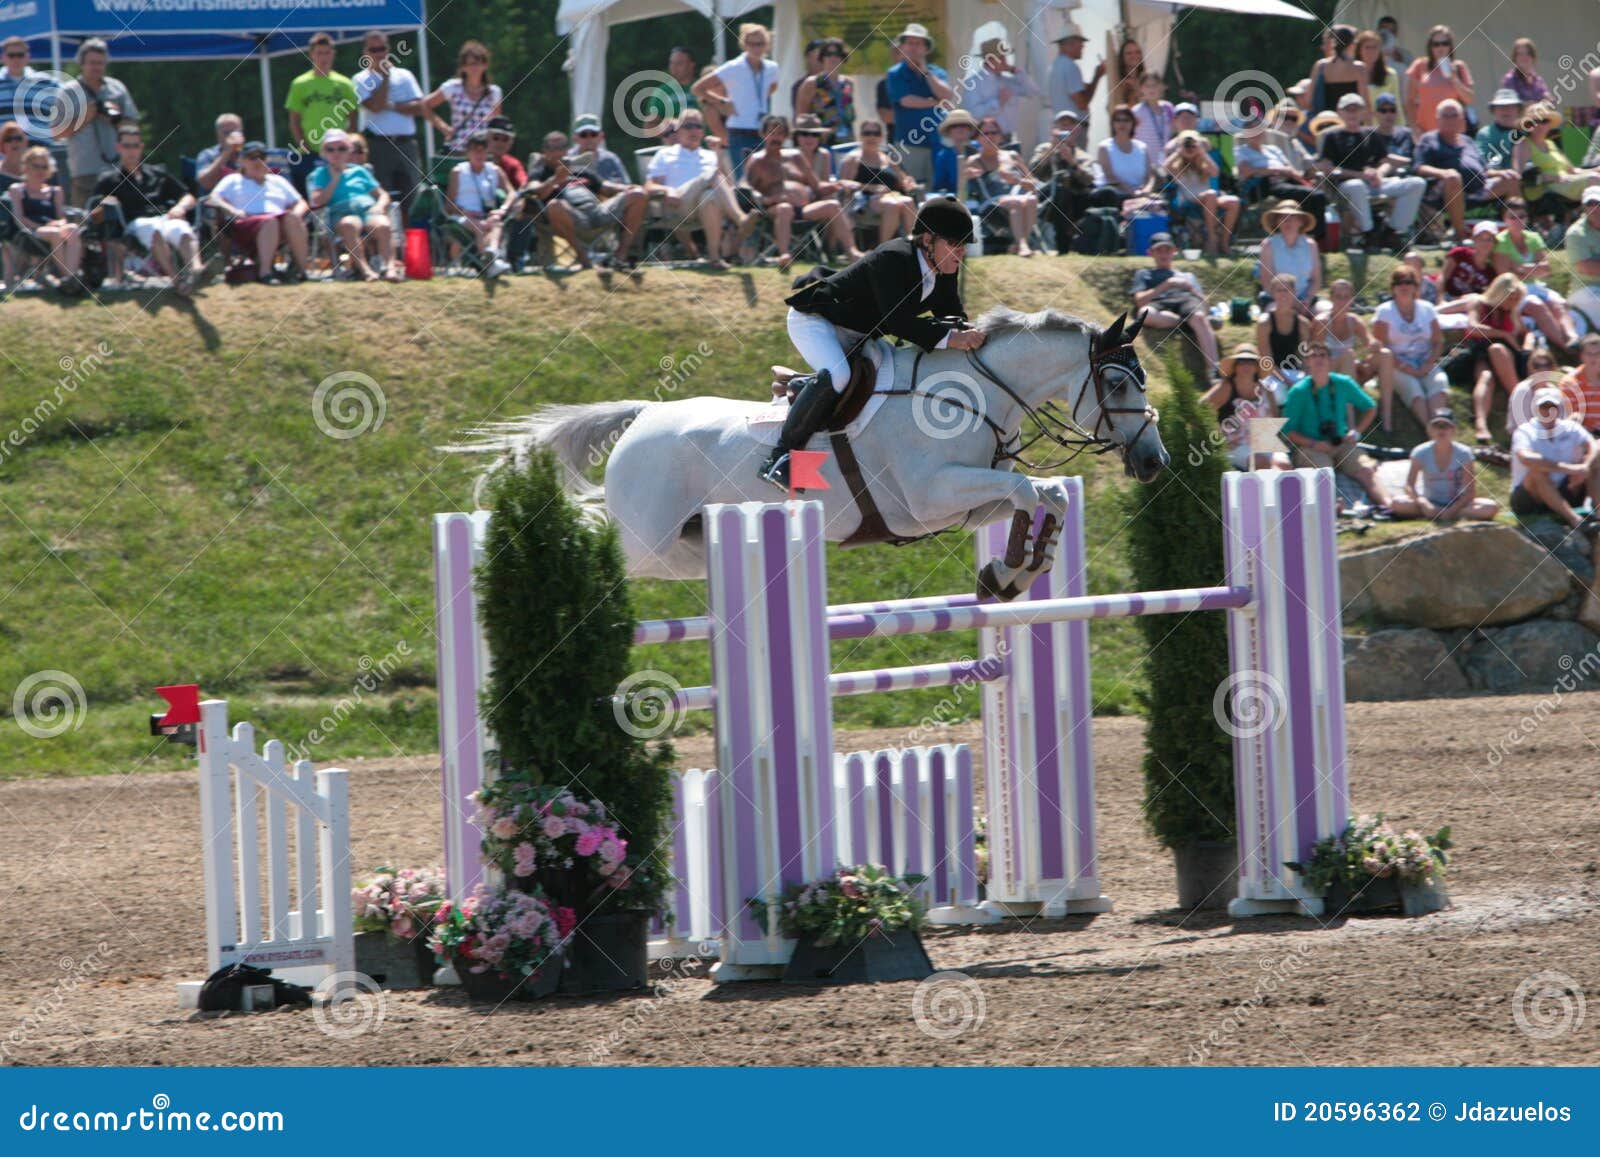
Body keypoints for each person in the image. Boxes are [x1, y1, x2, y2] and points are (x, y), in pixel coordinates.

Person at [765, 198, 982, 490]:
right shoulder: (893, 258)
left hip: (858, 334)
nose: (961, 252)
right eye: (955, 243)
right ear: (928, 240)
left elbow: (951, 314)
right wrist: (953, 339)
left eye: (964, 245)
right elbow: (898, 322)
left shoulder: (943, 267)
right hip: (818, 322)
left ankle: (807, 386)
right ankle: (780, 459)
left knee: (889, 373)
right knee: (840, 376)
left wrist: (974, 334)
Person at [88, 125, 202, 293]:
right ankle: (178, 282)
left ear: (141, 148)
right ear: (118, 148)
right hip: (135, 225)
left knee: (181, 228)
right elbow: (94, 211)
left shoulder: (158, 172)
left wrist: (180, 207)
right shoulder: (109, 179)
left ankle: (197, 269)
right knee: (153, 229)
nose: (131, 150)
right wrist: (106, 204)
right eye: (126, 146)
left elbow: (188, 196)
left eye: (135, 145)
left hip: (165, 217)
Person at [1280, 342, 1391, 509]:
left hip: (1341, 442)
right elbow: (1288, 431)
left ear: (1330, 361)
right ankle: (1332, 507)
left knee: (1366, 469)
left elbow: (1370, 407)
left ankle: (1389, 505)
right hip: (1312, 446)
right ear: (1307, 362)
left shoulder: (1343, 383)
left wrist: (1356, 432)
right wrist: (1314, 444)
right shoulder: (1298, 391)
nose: (1318, 359)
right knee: (1323, 474)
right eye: (1313, 356)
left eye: (1322, 355)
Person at [744, 115, 859, 270]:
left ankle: (852, 252)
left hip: (804, 209)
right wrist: (766, 199)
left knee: (833, 205)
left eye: (780, 134)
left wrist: (838, 185)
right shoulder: (757, 161)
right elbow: (747, 189)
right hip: (775, 210)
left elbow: (817, 186)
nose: (776, 138)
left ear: (785, 136)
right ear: (763, 134)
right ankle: (784, 255)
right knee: (785, 208)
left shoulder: (796, 157)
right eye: (772, 133)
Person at [524, 130, 648, 273]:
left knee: (638, 195)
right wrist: (556, 179)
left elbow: (605, 187)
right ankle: (584, 259)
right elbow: (534, 193)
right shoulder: (540, 172)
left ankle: (620, 257)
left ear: (567, 149)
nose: (558, 152)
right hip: (572, 218)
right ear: (544, 151)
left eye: (562, 147)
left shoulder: (579, 169)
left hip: (597, 211)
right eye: (553, 148)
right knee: (554, 206)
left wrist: (627, 188)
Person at [642, 111, 753, 269]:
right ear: (678, 131)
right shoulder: (665, 153)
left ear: (702, 131)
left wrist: (719, 156)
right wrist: (667, 190)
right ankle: (740, 218)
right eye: (688, 126)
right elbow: (649, 186)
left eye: (698, 126)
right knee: (712, 175)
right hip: (677, 205)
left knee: (709, 197)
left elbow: (727, 188)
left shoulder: (710, 155)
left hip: (702, 208)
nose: (694, 130)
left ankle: (714, 258)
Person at [1315, 92, 1423, 252]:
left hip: (1373, 182)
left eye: (1356, 109)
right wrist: (1359, 175)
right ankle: (1369, 233)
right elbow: (1327, 167)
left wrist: (1379, 173)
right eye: (1348, 110)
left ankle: (1392, 232)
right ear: (1340, 112)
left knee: (1416, 183)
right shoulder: (1332, 136)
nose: (1352, 113)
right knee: (1357, 185)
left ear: (1363, 112)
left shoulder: (1371, 134)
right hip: (1346, 185)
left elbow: (1385, 161)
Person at [207, 140, 311, 283]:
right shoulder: (232, 180)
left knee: (291, 218)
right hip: (245, 224)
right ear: (242, 161)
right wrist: (232, 210)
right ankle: (265, 273)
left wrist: (295, 216)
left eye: (261, 157)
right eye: (252, 158)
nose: (257, 162)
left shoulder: (278, 181)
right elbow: (213, 198)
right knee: (270, 221)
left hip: (280, 222)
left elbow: (300, 202)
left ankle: (303, 272)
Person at [1415, 100, 1519, 242]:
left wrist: (1501, 173)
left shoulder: (1468, 140)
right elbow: (1420, 167)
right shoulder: (1429, 139)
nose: (1450, 119)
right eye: (1446, 115)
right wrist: (1443, 173)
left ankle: (1512, 232)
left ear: (1461, 119)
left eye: (1454, 115)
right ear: (1437, 119)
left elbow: (1484, 170)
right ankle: (1460, 235)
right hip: (1447, 191)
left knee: (1511, 178)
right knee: (1454, 177)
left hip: (1478, 188)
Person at [54, 38, 138, 207]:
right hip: (85, 171)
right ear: (81, 64)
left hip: (118, 170)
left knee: (121, 218)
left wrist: (117, 118)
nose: (96, 67)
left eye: (100, 63)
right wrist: (86, 116)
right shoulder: (68, 91)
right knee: (85, 222)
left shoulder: (116, 89)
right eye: (92, 63)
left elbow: (133, 127)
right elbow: (56, 133)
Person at [307, 128, 398, 281]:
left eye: (341, 148)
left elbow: (382, 195)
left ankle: (390, 268)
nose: (336, 153)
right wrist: (335, 179)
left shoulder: (360, 171)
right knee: (350, 224)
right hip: (340, 213)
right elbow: (318, 201)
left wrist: (380, 206)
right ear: (324, 153)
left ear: (349, 151)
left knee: (383, 225)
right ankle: (366, 271)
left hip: (367, 210)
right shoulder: (319, 174)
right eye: (331, 149)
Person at [353, 31, 428, 217]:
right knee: (382, 198)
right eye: (374, 49)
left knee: (413, 199)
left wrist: (392, 105)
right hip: (378, 146)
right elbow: (376, 107)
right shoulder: (360, 79)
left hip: (406, 144)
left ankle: (413, 245)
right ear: (366, 53)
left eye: (383, 48)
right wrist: (385, 77)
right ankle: (388, 244)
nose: (380, 53)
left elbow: (420, 107)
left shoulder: (405, 75)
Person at [1509, 387, 1600, 535]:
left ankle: (1598, 514)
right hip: (1530, 497)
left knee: (1595, 462)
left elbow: (1594, 446)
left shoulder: (1570, 428)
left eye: (1552, 407)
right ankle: (1575, 520)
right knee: (1537, 472)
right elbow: (1526, 457)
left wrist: (1585, 467)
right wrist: (1569, 469)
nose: (1548, 411)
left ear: (1559, 408)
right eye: (1544, 407)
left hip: (1563, 489)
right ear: (1536, 409)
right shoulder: (1525, 431)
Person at [692, 23, 779, 176]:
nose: (755, 48)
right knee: (744, 181)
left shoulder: (772, 67)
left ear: (767, 45)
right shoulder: (734, 66)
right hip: (740, 132)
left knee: (766, 179)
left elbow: (772, 88)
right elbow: (698, 88)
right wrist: (721, 102)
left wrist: (755, 102)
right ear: (744, 45)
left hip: (763, 131)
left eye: (760, 44)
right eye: (751, 44)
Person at [1495, 197, 1578, 351]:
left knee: (1559, 304)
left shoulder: (1533, 237)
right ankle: (1565, 347)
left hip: (1534, 286)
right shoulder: (1501, 241)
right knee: (1537, 306)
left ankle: (1572, 337)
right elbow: (1506, 276)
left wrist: (1520, 268)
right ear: (1504, 219)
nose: (1518, 221)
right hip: (1513, 292)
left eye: (1522, 216)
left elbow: (1546, 269)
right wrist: (1534, 268)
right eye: (1512, 217)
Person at [1132, 233, 1220, 375]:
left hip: (1185, 300)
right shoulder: (1143, 274)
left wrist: (1191, 288)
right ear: (1151, 253)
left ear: (1174, 251)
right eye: (1159, 250)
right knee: (1144, 314)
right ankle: (1189, 324)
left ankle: (1214, 371)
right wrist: (1167, 285)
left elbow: (1206, 306)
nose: (1164, 254)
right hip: (1158, 303)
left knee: (1198, 316)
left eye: (1167, 249)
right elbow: (1140, 301)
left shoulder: (1187, 276)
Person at [1389, 410, 1500, 521]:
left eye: (1446, 426)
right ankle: (1433, 513)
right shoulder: (1420, 452)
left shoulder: (1464, 453)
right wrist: (1423, 503)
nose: (1441, 430)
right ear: (1430, 430)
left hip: (1457, 503)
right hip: (1430, 501)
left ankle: (1440, 515)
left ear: (1453, 430)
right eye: (1437, 426)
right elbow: (1409, 485)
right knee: (1397, 503)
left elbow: (1470, 491)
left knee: (1490, 507)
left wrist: (1452, 511)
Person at [1373, 266, 1447, 430]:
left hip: (1425, 361)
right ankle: (1430, 432)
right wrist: (1404, 367)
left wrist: (1429, 363)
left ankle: (1441, 428)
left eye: (1409, 282)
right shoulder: (1384, 312)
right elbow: (1381, 347)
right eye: (1399, 283)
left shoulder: (1427, 309)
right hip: (1396, 364)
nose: (1404, 286)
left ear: (1416, 286)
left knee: (1439, 385)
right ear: (1393, 288)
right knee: (1415, 392)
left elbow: (1438, 341)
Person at [1233, 119, 1328, 242]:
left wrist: (1285, 172)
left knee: (1318, 195)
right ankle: (1316, 237)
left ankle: (1309, 234)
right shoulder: (1242, 150)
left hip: (1286, 180)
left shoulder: (1273, 149)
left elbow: (1290, 169)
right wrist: (1274, 170)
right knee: (1314, 196)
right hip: (1265, 185)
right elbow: (1245, 171)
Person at [884, 23, 953, 187]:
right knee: (912, 188)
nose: (913, 47)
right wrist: (936, 103)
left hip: (938, 143)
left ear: (926, 49)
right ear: (902, 46)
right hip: (909, 144)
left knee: (937, 188)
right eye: (909, 43)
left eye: (918, 43)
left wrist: (926, 72)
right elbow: (906, 100)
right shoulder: (895, 73)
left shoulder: (937, 72)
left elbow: (947, 94)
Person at [1204, 342, 1291, 469]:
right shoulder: (1226, 387)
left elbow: (1274, 418)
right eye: (1241, 361)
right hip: (1234, 445)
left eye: (1251, 361)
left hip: (1263, 440)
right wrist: (1217, 436)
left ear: (1257, 367)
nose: (1246, 365)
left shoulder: (1267, 390)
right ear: (1235, 366)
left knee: (1284, 465)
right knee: (1261, 462)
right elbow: (1200, 410)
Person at [1470, 273, 1536, 440]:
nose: (1514, 302)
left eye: (1517, 298)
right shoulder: (1480, 304)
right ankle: (1481, 423)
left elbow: (1527, 333)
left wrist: (1527, 346)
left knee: (1498, 350)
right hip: (1483, 351)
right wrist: (1503, 334)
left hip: (1509, 354)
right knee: (1486, 377)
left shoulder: (1512, 311)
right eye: (1511, 298)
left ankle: (1519, 402)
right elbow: (1472, 328)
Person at [6, 146, 82, 288]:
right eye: (36, 166)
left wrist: (58, 224)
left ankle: (72, 275)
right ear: (26, 167)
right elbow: (20, 219)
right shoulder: (17, 189)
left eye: (44, 166)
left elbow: (61, 217)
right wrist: (43, 227)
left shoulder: (55, 191)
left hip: (53, 228)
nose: (40, 170)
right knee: (54, 234)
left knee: (72, 228)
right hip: (30, 232)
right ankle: (69, 278)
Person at [285, 32, 358, 177]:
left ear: (333, 54)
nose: (324, 57)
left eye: (327, 53)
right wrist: (302, 144)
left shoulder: (344, 84)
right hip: (309, 151)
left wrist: (346, 145)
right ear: (312, 54)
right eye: (319, 53)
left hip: (337, 152)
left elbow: (353, 117)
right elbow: (294, 119)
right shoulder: (300, 83)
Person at [966, 116, 1039, 256]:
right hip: (991, 203)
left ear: (1000, 136)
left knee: (1032, 200)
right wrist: (968, 176)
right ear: (978, 138)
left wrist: (1018, 180)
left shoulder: (1012, 156)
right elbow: (963, 190)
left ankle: (1017, 244)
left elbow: (1034, 185)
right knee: (1016, 202)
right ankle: (1023, 245)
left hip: (1018, 198)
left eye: (994, 133)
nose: (990, 137)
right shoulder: (974, 160)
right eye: (985, 133)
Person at [445, 130, 511, 278]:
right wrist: (464, 212)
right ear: (468, 152)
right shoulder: (458, 172)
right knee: (479, 227)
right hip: (463, 216)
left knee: (496, 223)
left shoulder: (494, 170)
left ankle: (491, 256)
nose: (479, 154)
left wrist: (502, 210)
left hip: (487, 215)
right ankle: (492, 264)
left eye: (483, 150)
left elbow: (512, 193)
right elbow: (448, 206)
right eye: (475, 150)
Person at [839, 119, 916, 244]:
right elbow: (842, 184)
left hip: (892, 196)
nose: (871, 137)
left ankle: (913, 247)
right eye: (867, 133)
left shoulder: (888, 159)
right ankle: (882, 250)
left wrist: (908, 182)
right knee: (894, 205)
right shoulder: (853, 159)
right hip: (864, 200)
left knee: (908, 201)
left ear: (881, 136)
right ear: (860, 135)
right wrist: (870, 187)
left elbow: (904, 180)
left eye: (876, 133)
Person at [1030, 109, 1095, 255]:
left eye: (1070, 125)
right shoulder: (1043, 149)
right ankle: (1063, 245)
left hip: (1075, 199)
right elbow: (1034, 171)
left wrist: (1072, 162)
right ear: (1054, 129)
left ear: (1077, 129)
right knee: (1061, 191)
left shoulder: (1083, 156)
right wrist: (1052, 149)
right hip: (1048, 196)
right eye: (1062, 125)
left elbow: (1089, 180)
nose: (1066, 129)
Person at [422, 40, 502, 156]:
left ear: (485, 65)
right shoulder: (453, 87)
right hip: (459, 149)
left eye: (478, 63)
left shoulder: (494, 92)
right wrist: (444, 128)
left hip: (484, 152)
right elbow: (424, 105)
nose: (475, 68)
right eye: (471, 64)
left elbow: (497, 123)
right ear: (463, 67)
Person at [1165, 130, 1238, 256]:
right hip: (1188, 199)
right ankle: (1212, 239)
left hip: (1209, 198)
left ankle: (1224, 242)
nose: (1190, 147)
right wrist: (1180, 151)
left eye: (1192, 144)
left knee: (1233, 202)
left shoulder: (1204, 162)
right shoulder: (1177, 165)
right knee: (1210, 194)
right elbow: (1165, 168)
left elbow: (1215, 172)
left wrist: (1201, 151)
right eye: (1187, 145)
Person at [1514, 104, 1600, 204]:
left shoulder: (1551, 144)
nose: (1539, 125)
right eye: (1534, 122)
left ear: (1549, 125)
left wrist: (1596, 169)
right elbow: (1521, 176)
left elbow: (1572, 171)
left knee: (1596, 176)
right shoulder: (1523, 145)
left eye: (1544, 121)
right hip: (1544, 190)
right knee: (1594, 179)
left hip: (1567, 183)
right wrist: (1553, 177)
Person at [1405, 25, 1474, 135]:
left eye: (1445, 43)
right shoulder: (1420, 65)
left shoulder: (1459, 67)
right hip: (1426, 132)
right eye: (1436, 44)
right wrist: (1414, 128)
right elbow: (1409, 101)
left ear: (1450, 46)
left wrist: (1454, 79)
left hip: (1454, 134)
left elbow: (1469, 99)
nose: (1440, 48)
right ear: (1430, 47)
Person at [1258, 198, 1321, 307]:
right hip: (1276, 298)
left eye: (1292, 216)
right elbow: (1266, 282)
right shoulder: (1268, 245)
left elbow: (1316, 279)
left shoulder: (1311, 245)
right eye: (1282, 217)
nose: (1287, 221)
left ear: (1301, 221)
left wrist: (1308, 299)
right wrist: (1289, 302)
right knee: (1274, 316)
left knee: (1325, 314)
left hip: (1305, 299)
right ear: (1277, 222)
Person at [1092, 105, 1155, 212]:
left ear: (1133, 123)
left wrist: (1147, 190)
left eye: (1126, 120)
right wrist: (1131, 192)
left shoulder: (1142, 147)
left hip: (1140, 197)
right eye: (1118, 120)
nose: (1122, 124)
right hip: (1114, 199)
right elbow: (1110, 176)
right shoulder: (1104, 147)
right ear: (1112, 124)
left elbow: (1150, 176)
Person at [0, 37, 57, 153]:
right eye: (11, 55)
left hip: (39, 156)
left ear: (28, 57)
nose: (16, 59)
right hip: (3, 159)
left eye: (20, 55)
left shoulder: (47, 83)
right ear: (3, 57)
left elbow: (69, 111)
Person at [1257, 273, 1313, 390]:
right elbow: (1266, 361)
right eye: (1279, 290)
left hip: (1295, 373)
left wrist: (1304, 381)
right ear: (1272, 293)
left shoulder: (1303, 324)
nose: (1283, 294)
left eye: (1287, 290)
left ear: (1294, 292)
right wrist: (1287, 382)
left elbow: (1304, 357)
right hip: (1271, 375)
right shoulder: (1264, 323)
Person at [793, 38, 854, 144]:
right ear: (822, 57)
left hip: (847, 141)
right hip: (821, 144)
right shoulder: (812, 83)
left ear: (843, 57)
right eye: (828, 54)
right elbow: (801, 118)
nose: (832, 57)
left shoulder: (848, 83)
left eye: (837, 54)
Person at [1318, 278, 1374, 381]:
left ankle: (1386, 397)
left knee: (1385, 355)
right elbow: (1316, 356)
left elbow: (1370, 342)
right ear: (1331, 298)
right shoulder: (1322, 322)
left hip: (1348, 368)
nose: (1342, 301)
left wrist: (1375, 345)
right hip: (1325, 371)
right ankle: (1349, 395)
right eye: (1338, 297)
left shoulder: (1354, 321)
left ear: (1351, 299)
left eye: (1346, 297)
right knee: (1348, 355)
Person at [1309, 24, 1368, 115]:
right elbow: (1364, 101)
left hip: (1326, 119)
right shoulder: (1359, 68)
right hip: (1351, 119)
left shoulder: (1321, 66)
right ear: (1352, 44)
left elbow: (1309, 98)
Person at [1565, 187, 1600, 337]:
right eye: (1589, 204)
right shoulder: (1576, 233)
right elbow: (1587, 268)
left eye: (1597, 203)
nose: (1594, 208)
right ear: (1584, 207)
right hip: (1585, 290)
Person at [642, 47, 699, 139]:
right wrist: (670, 132)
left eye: (679, 63)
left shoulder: (703, 88)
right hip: (673, 150)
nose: (674, 67)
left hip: (706, 148)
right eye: (672, 63)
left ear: (692, 65)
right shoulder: (662, 92)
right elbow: (649, 127)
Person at [1050, 24, 1103, 119]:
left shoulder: (1055, 65)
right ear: (1070, 43)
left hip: (1062, 123)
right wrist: (1097, 76)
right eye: (1080, 42)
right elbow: (1081, 103)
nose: (1083, 46)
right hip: (1075, 125)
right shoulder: (1070, 66)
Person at [1353, 29, 1401, 121]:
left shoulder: (1390, 75)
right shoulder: (1351, 74)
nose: (1371, 51)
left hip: (1383, 129)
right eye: (1367, 47)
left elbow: (1396, 105)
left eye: (1374, 47)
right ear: (1359, 50)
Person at [1475, 89, 1523, 172]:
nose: (1506, 110)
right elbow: (1483, 164)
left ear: (1518, 110)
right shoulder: (1485, 134)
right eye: (1501, 107)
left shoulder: (1525, 132)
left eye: (1511, 106)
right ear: (1493, 110)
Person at [196, 113, 245, 193]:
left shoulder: (249, 154)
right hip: (215, 203)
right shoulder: (207, 155)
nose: (232, 135)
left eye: (236, 131)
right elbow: (205, 183)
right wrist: (227, 152)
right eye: (226, 133)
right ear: (218, 135)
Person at [1560, 336, 1600, 433]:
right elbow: (1569, 419)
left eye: (1598, 353)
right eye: (1589, 353)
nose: (1593, 357)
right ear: (1581, 356)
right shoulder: (1569, 382)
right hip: (1582, 437)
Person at [1131, 73, 1174, 160]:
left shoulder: (1168, 107)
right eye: (1147, 86)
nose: (1151, 89)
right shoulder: (1136, 111)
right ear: (1141, 88)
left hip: (1167, 162)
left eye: (1154, 85)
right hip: (1145, 162)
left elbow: (1174, 131)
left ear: (1161, 86)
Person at [1369, 91, 1415, 167]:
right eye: (1383, 111)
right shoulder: (1370, 136)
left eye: (1392, 110)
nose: (1388, 114)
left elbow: (1417, 160)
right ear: (1375, 113)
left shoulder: (1407, 134)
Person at [1502, 37, 1551, 106]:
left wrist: (1548, 100)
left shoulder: (1538, 80)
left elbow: (1548, 99)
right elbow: (1510, 105)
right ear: (1515, 58)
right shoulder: (1510, 79)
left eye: (1528, 53)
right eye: (1520, 54)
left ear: (1533, 57)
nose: (1524, 57)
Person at [1105, 38, 1145, 114]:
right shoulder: (1117, 82)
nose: (1134, 55)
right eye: (1129, 53)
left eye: (1137, 52)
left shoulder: (1146, 79)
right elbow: (1110, 107)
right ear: (1122, 57)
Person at [486, 116, 526, 189]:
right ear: (486, 138)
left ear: (511, 143)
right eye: (496, 138)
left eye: (505, 139)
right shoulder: (474, 161)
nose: (500, 143)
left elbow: (523, 184)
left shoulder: (513, 165)